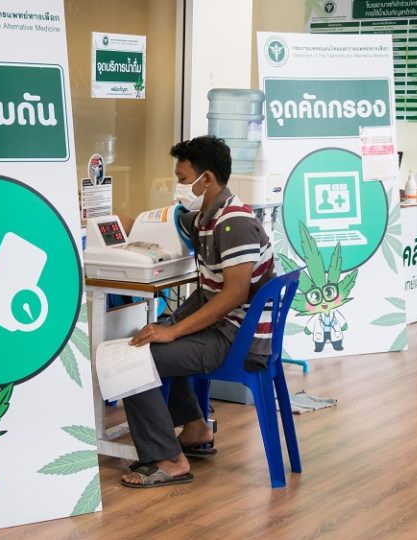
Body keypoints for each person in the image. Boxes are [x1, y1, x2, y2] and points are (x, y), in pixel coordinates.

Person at [120, 135, 275, 488]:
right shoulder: (208, 218)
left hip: (237, 339)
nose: (179, 187)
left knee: (135, 358)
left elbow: (234, 293)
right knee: (152, 335)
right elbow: (138, 227)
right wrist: (99, 214)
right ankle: (195, 428)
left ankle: (170, 460)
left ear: (207, 179)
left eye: (183, 178)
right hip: (229, 330)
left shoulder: (233, 224)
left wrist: (173, 331)